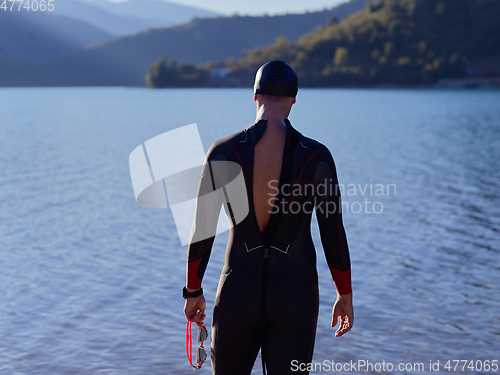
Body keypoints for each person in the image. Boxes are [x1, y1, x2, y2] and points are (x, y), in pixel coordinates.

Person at [183, 60, 353, 375]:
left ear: (255, 96)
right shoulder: (317, 157)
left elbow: (201, 231)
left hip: (237, 291)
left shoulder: (223, 152)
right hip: (295, 295)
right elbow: (334, 233)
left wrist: (193, 291)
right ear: (293, 100)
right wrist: (345, 294)